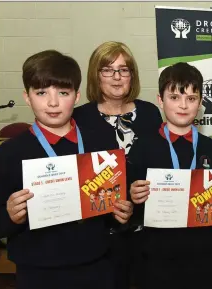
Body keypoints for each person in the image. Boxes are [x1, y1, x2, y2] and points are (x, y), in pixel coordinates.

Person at [0, 50, 133, 289]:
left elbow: (114, 208)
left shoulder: (101, 142)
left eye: (63, 92)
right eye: (41, 93)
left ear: (76, 96)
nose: (52, 102)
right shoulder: (9, 154)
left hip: (96, 265)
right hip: (38, 271)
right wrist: (9, 214)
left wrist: (122, 212)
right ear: (27, 97)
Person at [129, 62, 212, 289]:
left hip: (204, 259)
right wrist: (133, 194)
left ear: (200, 103)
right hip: (157, 260)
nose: (183, 105)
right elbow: (128, 205)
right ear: (160, 100)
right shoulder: (142, 147)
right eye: (174, 97)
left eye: (191, 99)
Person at [72, 41, 163, 289]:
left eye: (124, 69)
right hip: (99, 236)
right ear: (95, 75)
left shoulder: (150, 113)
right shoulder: (79, 117)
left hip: (145, 230)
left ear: (131, 75)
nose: (116, 77)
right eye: (107, 69)